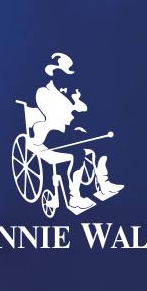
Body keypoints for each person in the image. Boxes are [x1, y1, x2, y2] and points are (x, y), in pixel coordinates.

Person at [25, 53, 124, 213]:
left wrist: (75, 102)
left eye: (66, 74)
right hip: (50, 135)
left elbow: (82, 109)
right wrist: (72, 105)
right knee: (78, 152)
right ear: (54, 73)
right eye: (62, 73)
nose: (65, 77)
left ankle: (104, 184)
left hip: (66, 133)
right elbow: (56, 115)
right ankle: (75, 198)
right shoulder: (43, 92)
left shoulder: (64, 94)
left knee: (102, 142)